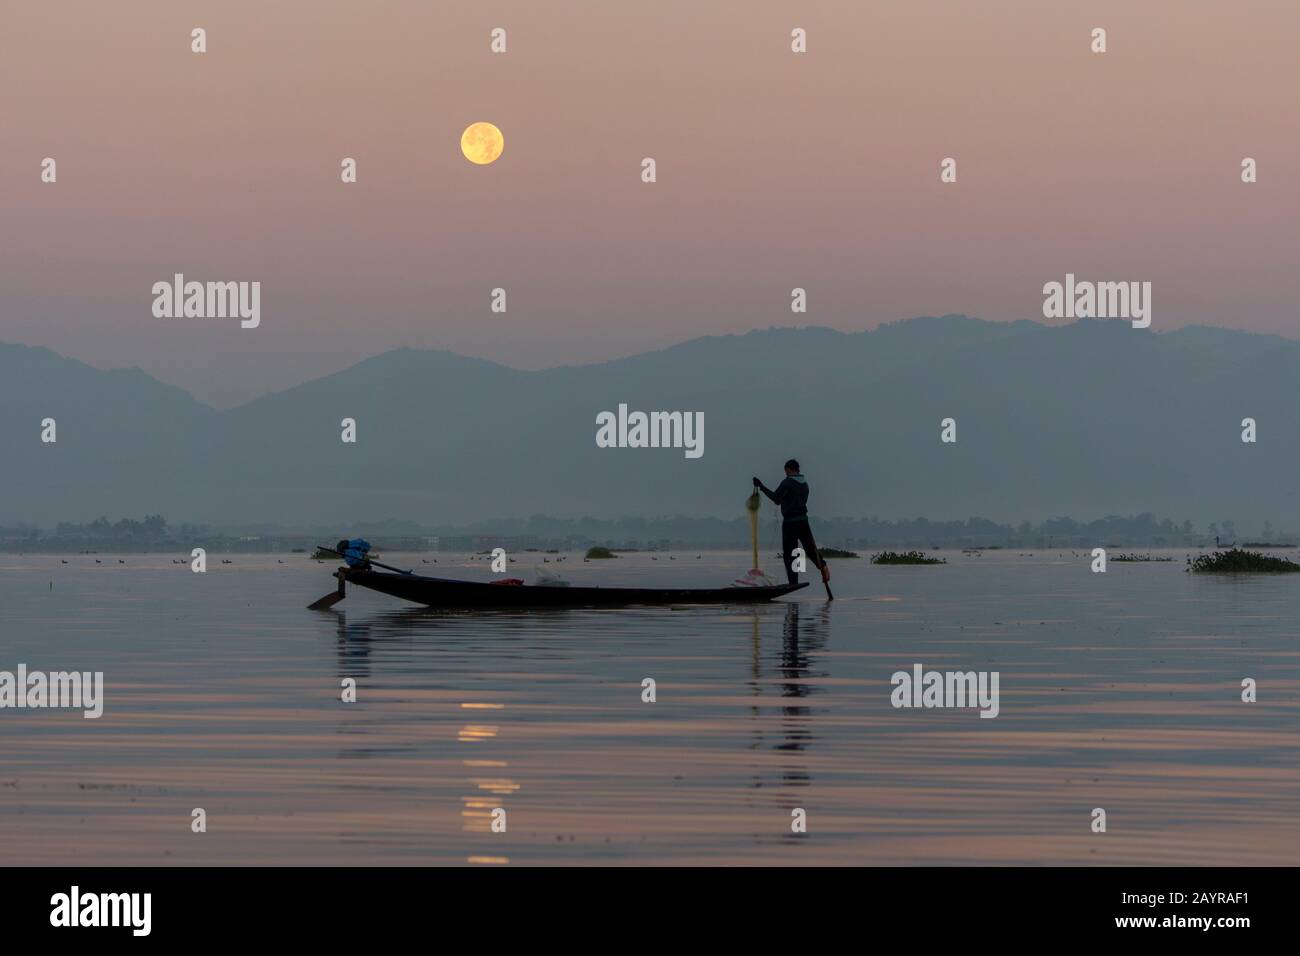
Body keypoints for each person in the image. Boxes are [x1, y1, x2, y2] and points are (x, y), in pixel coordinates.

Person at [754, 460, 830, 588]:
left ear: (789, 469)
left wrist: (761, 486)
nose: (785, 474)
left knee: (790, 553)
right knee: (810, 549)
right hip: (803, 521)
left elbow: (776, 499)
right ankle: (822, 566)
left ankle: (793, 582)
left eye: (786, 471)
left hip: (790, 522)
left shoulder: (787, 482)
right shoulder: (805, 484)